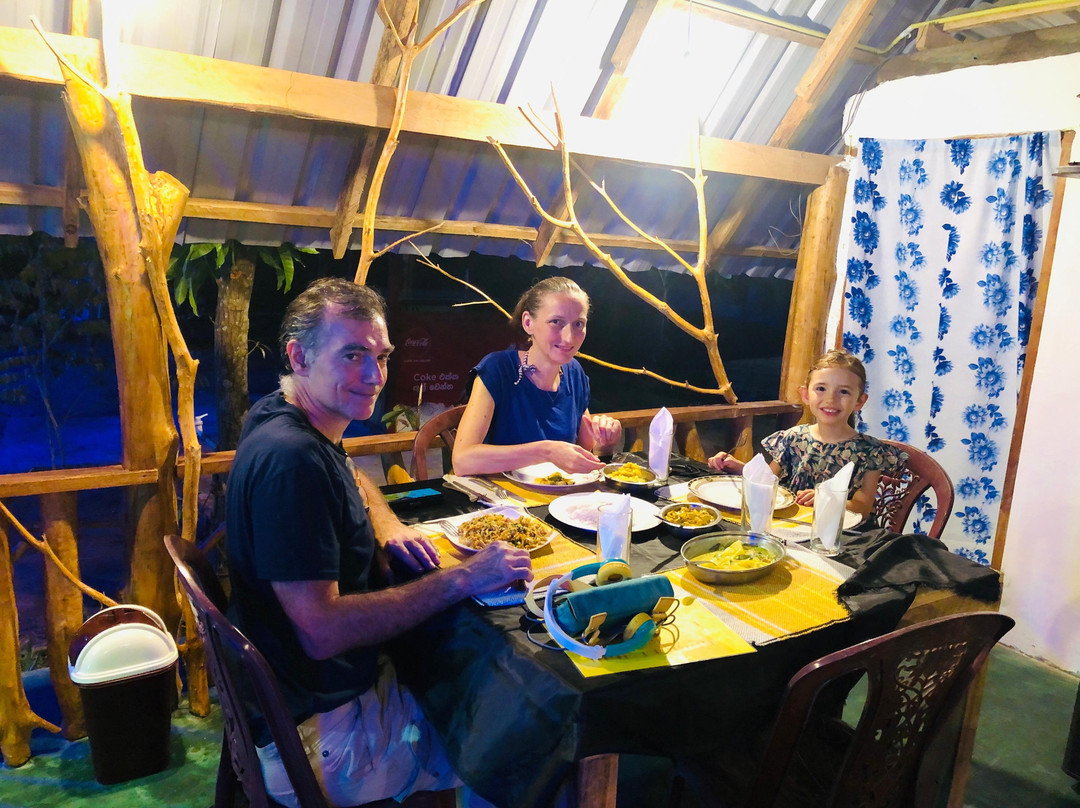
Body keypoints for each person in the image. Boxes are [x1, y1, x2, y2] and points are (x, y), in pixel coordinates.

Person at [226, 277, 532, 807]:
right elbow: (322, 631)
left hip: (302, 695)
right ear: (299, 356)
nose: (374, 376)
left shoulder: (283, 414)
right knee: (515, 735)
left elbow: (346, 467)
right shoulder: (292, 461)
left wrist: (387, 526)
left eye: (382, 356)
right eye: (352, 355)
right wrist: (465, 577)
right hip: (319, 733)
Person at [452, 276, 622, 476]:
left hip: (556, 492)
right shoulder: (498, 369)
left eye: (578, 324)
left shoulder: (574, 373)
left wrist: (605, 442)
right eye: (556, 322)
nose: (569, 338)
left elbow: (584, 451)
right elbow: (463, 461)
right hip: (501, 492)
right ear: (528, 323)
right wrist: (546, 451)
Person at [707, 349, 905, 518]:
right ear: (805, 394)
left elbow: (862, 508)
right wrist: (739, 468)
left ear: (860, 401)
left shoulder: (870, 451)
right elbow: (767, 481)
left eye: (843, 391)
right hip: (790, 526)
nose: (830, 399)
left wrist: (825, 499)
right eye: (821, 388)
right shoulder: (793, 438)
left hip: (839, 536)